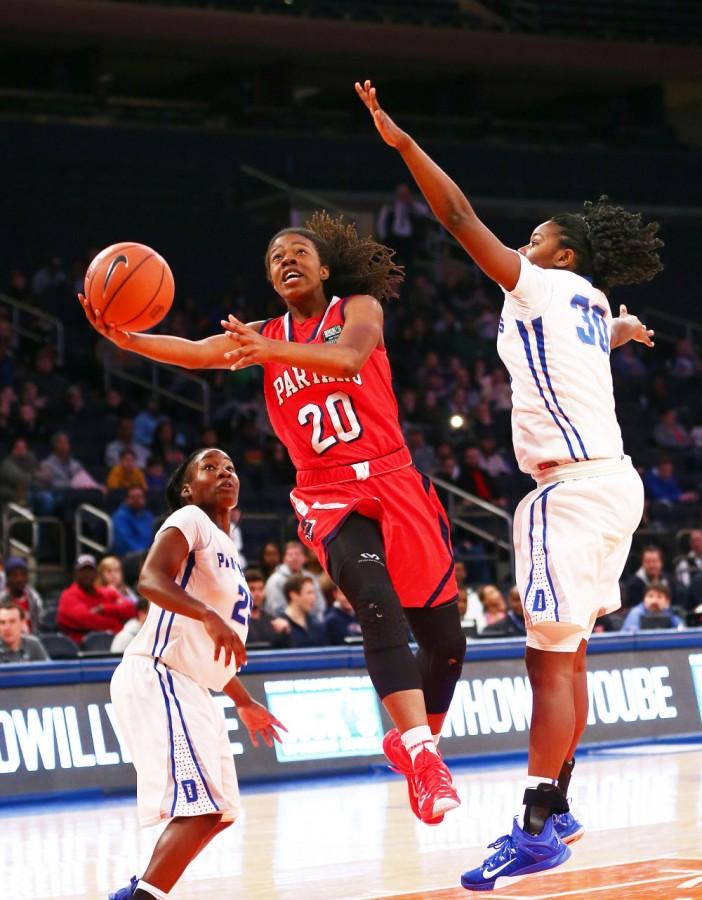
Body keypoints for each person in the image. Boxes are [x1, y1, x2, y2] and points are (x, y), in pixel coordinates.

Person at [355, 79, 663, 886]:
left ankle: (533, 823)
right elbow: (603, 335)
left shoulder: (538, 282)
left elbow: (457, 219)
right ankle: (556, 805)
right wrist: (626, 329)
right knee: (574, 654)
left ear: (559, 254)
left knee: (547, 663)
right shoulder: (591, 299)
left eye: (533, 238)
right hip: (615, 483)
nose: (520, 246)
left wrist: (405, 145)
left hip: (569, 492)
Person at [80, 210, 467, 826]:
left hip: (394, 477)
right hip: (328, 492)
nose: (285, 261)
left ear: (322, 267)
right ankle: (423, 758)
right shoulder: (267, 334)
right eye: (274, 258)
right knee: (374, 597)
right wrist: (130, 340)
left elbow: (347, 360)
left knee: (448, 643)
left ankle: (413, 737)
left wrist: (268, 349)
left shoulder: (357, 308)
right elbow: (200, 353)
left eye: (296, 252)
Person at [108, 448, 285, 900]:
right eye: (211, 468)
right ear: (188, 488)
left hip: (189, 682)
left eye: (231, 467)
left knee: (219, 811)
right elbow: (150, 579)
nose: (225, 472)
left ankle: (138, 893)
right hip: (157, 673)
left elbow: (208, 646)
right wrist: (208, 615)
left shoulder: (228, 548)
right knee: (200, 807)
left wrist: (243, 701)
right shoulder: (189, 519)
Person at [56, 554, 136, 644]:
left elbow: (131, 609)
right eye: (83, 570)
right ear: (74, 573)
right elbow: (85, 620)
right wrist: (116, 625)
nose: (87, 574)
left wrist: (104, 608)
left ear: (96, 573)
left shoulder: (107, 593)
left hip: (112, 643)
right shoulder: (68, 596)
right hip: (81, 650)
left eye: (90, 570)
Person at [264, 540, 325, 621]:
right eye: (290, 554)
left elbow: (320, 606)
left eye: (298, 554)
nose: (294, 558)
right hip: (284, 625)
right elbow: (277, 610)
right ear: (284, 559)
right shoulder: (274, 580)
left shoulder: (311, 578)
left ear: (305, 558)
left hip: (311, 624)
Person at [245, 568, 291, 649]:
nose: (257, 594)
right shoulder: (237, 622)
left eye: (260, 589)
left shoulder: (273, 621)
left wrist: (286, 632)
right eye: (252, 589)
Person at [281, 574, 328, 648]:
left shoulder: (316, 625)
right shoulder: (280, 627)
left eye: (313, 593)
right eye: (309, 593)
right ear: (293, 595)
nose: (313, 598)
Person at [0, 557, 44, 634]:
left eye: (23, 575)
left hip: (31, 640)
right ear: (7, 578)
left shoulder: (33, 597)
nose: (20, 579)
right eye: (15, 576)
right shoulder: (2, 600)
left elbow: (39, 624)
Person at [111, 486, 155, 557]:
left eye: (140, 497)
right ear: (126, 499)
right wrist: (145, 554)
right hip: (129, 556)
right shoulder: (119, 516)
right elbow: (124, 543)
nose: (137, 500)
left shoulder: (148, 516)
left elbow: (154, 537)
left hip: (148, 554)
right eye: (133, 497)